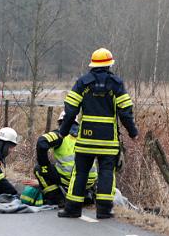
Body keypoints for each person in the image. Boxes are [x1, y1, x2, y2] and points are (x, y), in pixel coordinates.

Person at [58, 47, 137, 219]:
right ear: (109, 65)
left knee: (80, 173)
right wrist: (133, 132)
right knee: (107, 173)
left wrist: (63, 131)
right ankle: (103, 211)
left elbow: (70, 111)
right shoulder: (116, 84)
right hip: (108, 141)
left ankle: (72, 209)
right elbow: (125, 111)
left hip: (85, 138)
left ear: (92, 65)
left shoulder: (82, 83)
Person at [35, 111, 97, 206]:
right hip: (90, 179)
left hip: (69, 178)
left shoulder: (60, 134)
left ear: (61, 123)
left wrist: (44, 165)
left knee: (38, 169)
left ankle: (58, 198)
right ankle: (87, 193)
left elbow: (41, 143)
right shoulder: (86, 134)